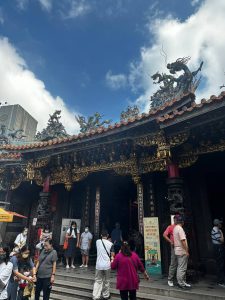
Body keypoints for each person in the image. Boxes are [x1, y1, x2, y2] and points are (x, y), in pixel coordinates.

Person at [92, 230, 114, 300]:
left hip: (98, 265)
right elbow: (113, 254)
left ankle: (96, 296)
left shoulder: (97, 241)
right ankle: (106, 295)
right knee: (107, 281)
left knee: (98, 280)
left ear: (101, 235)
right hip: (107, 265)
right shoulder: (110, 244)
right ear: (107, 235)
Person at [173, 215, 191, 289]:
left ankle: (182, 281)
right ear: (182, 222)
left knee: (180, 267)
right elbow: (183, 240)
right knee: (182, 268)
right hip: (182, 250)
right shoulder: (180, 229)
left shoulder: (175, 228)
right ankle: (181, 283)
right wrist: (186, 250)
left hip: (177, 249)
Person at [163, 215, 178, 287]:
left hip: (181, 246)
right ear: (174, 220)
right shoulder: (170, 227)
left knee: (181, 263)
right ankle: (170, 279)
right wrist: (170, 241)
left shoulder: (180, 227)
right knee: (173, 262)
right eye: (176, 219)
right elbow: (164, 234)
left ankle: (181, 280)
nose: (177, 221)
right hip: (174, 246)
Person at [211, 218, 225, 287]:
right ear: (218, 224)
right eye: (220, 223)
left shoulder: (216, 229)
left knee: (221, 263)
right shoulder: (216, 230)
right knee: (220, 264)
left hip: (218, 247)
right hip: (217, 247)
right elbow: (222, 240)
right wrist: (222, 233)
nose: (221, 224)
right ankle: (221, 281)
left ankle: (221, 280)